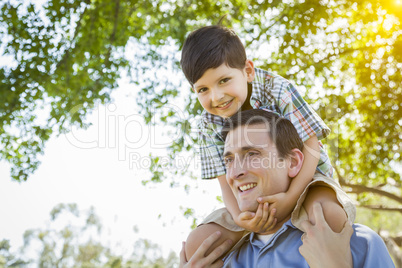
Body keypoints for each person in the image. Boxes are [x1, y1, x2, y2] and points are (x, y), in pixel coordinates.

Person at [180, 23, 355, 260]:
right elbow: (224, 180)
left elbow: (312, 147)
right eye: (203, 89)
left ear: (248, 71)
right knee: (197, 245)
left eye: (223, 80)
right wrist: (240, 216)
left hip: (308, 180)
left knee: (328, 216)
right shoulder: (208, 124)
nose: (216, 96)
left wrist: (289, 199)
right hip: (253, 195)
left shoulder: (277, 89)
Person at [180, 109, 395, 268]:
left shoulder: (359, 244)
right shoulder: (215, 261)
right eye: (228, 160)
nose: (235, 173)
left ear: (293, 162)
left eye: (252, 154)